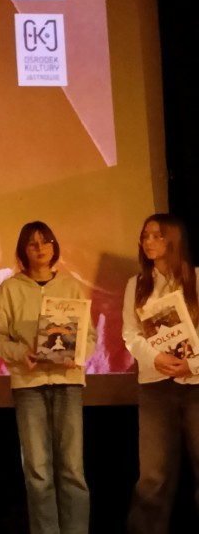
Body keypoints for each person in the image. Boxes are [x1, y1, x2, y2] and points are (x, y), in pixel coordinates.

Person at [0, 221, 95, 534]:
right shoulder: (11, 288)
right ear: (23, 250)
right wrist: (22, 352)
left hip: (68, 383)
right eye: (32, 243)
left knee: (72, 469)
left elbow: (90, 336)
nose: (40, 248)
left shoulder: (71, 286)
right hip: (29, 385)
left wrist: (76, 353)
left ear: (54, 246)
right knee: (38, 472)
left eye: (46, 241)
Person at [122, 214, 199, 534]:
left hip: (195, 383)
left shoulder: (196, 278)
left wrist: (192, 365)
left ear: (174, 239)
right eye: (145, 236)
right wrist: (156, 357)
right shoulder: (137, 284)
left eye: (157, 235)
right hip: (155, 385)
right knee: (153, 474)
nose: (149, 242)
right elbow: (130, 333)